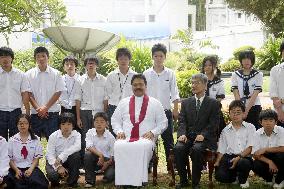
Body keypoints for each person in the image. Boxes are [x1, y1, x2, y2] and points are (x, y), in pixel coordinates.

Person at [112, 74, 167, 187]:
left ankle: (139, 181)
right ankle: (123, 181)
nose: (138, 87)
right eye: (135, 85)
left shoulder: (155, 103)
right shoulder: (123, 102)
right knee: (119, 146)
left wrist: (153, 132)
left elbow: (163, 122)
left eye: (141, 84)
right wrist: (119, 131)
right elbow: (115, 120)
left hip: (145, 138)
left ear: (145, 86)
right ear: (131, 87)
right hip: (126, 137)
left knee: (140, 146)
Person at [174, 73, 220, 189]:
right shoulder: (185, 102)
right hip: (188, 136)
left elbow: (214, 123)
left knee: (197, 149)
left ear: (205, 85)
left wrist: (203, 135)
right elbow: (182, 121)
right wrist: (182, 134)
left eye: (197, 83)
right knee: (178, 148)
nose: (193, 85)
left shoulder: (213, 103)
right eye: (192, 83)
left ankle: (195, 182)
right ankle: (183, 180)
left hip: (206, 138)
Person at [143, 43, 179, 170]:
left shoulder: (170, 73)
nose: (158, 58)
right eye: (156, 56)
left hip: (165, 112)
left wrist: (175, 109)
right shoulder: (146, 74)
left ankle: (172, 165)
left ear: (165, 57)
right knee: (149, 138)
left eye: (161, 56)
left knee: (168, 138)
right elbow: (142, 93)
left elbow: (174, 92)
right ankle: (148, 165)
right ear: (152, 57)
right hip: (149, 112)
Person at [25, 46, 65, 140]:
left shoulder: (56, 73)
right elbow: (29, 93)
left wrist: (45, 108)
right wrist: (39, 109)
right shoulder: (28, 74)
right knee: (33, 143)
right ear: (35, 58)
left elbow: (58, 92)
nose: (41, 58)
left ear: (48, 57)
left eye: (43, 56)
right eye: (38, 56)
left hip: (52, 114)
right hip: (36, 114)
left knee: (54, 142)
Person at [214, 100, 256, 189]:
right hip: (229, 157)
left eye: (238, 112)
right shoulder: (225, 131)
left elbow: (250, 147)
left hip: (244, 156)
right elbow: (222, 149)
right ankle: (235, 176)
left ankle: (243, 179)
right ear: (229, 114)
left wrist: (239, 157)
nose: (235, 115)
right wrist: (217, 162)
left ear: (243, 114)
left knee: (243, 163)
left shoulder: (250, 127)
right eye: (233, 112)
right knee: (220, 176)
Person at [75, 56, 107, 165]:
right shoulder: (80, 80)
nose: (91, 65)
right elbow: (78, 100)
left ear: (97, 65)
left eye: (93, 63)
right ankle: (86, 164)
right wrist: (78, 118)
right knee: (85, 138)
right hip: (85, 112)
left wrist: (105, 117)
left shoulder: (103, 79)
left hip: (99, 113)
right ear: (85, 66)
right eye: (89, 63)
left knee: (99, 137)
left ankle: (100, 163)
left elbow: (105, 99)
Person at [7, 114, 49, 189]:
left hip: (31, 168)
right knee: (11, 183)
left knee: (40, 184)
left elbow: (37, 158)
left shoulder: (36, 139)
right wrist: (16, 170)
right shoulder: (12, 140)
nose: (23, 125)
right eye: (20, 123)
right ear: (17, 125)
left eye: (25, 123)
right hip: (15, 168)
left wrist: (30, 169)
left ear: (29, 125)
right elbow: (9, 159)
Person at [0, 47, 30, 140]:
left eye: (7, 56)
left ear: (12, 58)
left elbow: (25, 94)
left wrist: (27, 113)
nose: (5, 59)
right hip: (0, 112)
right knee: (1, 142)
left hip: (16, 113)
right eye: (1, 57)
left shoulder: (21, 74)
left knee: (16, 140)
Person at [105, 48, 137, 135]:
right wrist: (106, 114)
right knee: (113, 133)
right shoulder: (111, 76)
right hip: (114, 108)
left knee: (128, 132)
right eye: (121, 59)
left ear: (129, 60)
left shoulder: (135, 76)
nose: (123, 61)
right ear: (117, 60)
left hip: (129, 108)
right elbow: (107, 95)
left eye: (126, 59)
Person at [45, 112, 81, 188]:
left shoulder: (77, 134)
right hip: (55, 161)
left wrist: (62, 156)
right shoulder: (53, 136)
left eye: (69, 124)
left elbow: (78, 146)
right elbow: (49, 154)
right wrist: (58, 166)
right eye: (63, 124)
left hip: (68, 161)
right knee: (53, 176)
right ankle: (57, 180)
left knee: (76, 156)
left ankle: (72, 182)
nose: (66, 127)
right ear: (59, 125)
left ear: (73, 125)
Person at [231, 50, 263, 129]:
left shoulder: (258, 74)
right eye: (244, 59)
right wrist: (240, 109)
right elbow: (236, 93)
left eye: (249, 59)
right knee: (241, 130)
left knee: (255, 130)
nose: (247, 61)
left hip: (254, 106)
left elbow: (255, 94)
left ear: (252, 60)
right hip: (240, 107)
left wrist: (246, 111)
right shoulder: (235, 74)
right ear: (241, 61)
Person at [253, 109, 284, 188]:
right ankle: (269, 179)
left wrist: (265, 149)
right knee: (255, 164)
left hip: (279, 156)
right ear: (260, 122)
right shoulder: (257, 134)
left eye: (271, 120)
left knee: (281, 156)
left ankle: (279, 180)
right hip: (265, 158)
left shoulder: (281, 130)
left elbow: (283, 148)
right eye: (265, 120)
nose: (268, 123)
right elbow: (255, 154)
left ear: (275, 122)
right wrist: (270, 162)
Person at [84, 112, 115, 188]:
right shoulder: (90, 132)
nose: (99, 124)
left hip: (107, 161)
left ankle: (104, 175)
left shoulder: (110, 137)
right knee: (88, 154)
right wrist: (100, 155)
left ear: (107, 123)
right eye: (96, 121)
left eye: (102, 121)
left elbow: (112, 155)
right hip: (94, 158)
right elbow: (89, 146)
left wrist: (106, 163)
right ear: (93, 123)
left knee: (109, 177)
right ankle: (90, 181)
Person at [201, 55, 226, 135]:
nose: (207, 67)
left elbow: (218, 100)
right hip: (201, 113)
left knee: (218, 137)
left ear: (214, 66)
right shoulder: (199, 81)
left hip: (215, 113)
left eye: (210, 65)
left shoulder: (219, 82)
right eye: (205, 65)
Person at [60, 55, 81, 131]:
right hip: (63, 109)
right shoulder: (60, 79)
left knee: (77, 131)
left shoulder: (81, 79)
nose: (69, 66)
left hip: (77, 109)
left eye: (72, 64)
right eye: (67, 64)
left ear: (75, 66)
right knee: (64, 131)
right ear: (64, 67)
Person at [270, 41, 284, 127]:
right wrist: (280, 112)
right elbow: (273, 93)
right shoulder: (275, 70)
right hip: (280, 113)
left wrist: (282, 100)